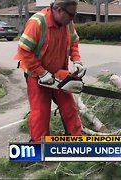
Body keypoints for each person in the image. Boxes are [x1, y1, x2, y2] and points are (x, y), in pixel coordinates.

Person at [14, 0, 84, 142]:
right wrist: (41, 72)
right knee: (41, 112)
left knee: (69, 106)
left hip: (59, 72)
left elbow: (74, 42)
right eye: (71, 14)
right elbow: (24, 51)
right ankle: (40, 146)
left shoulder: (68, 23)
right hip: (36, 74)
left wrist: (76, 60)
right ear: (59, 10)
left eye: (74, 14)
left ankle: (76, 140)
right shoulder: (38, 23)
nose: (73, 18)